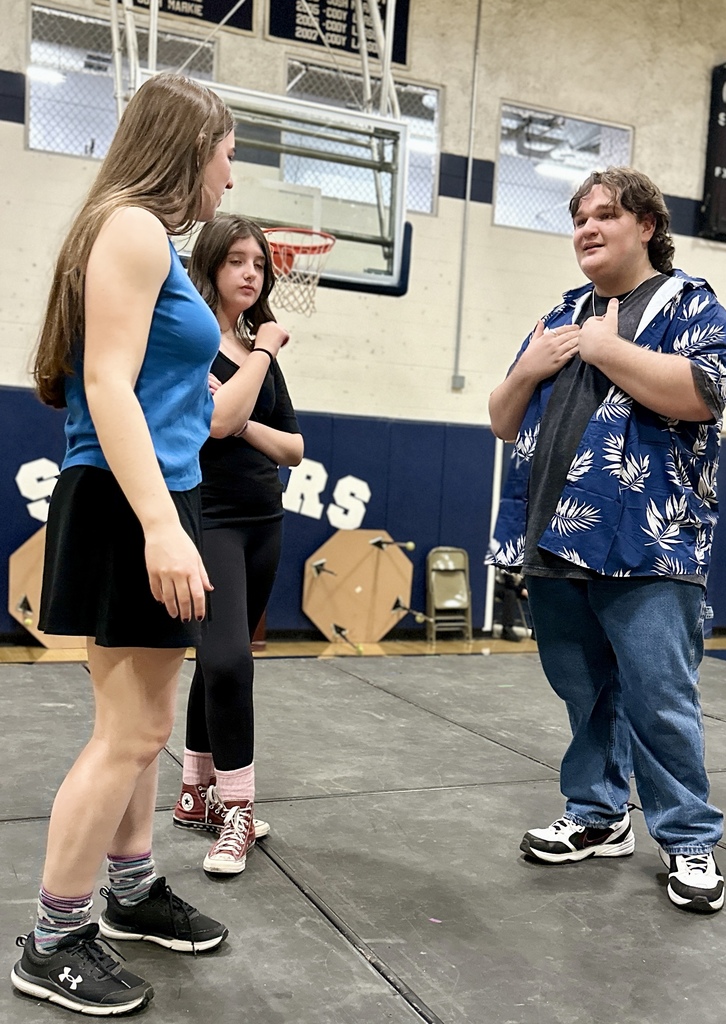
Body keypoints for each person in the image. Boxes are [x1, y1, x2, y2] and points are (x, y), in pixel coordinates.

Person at [11, 73, 237, 1016]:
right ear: (191, 148)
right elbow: (106, 384)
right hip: (124, 501)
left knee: (142, 722)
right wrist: (159, 524)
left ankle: (131, 893)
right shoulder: (135, 227)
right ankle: (53, 936)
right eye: (227, 148)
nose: (232, 169)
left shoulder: (146, 236)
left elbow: (168, 398)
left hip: (148, 494)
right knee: (133, 732)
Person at [487, 167, 726, 914]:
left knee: (660, 697)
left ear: (648, 227)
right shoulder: (562, 315)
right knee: (583, 690)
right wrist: (532, 366)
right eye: (579, 220)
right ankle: (598, 817)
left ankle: (688, 838)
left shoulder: (688, 304)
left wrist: (604, 348)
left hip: (649, 541)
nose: (587, 230)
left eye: (605, 216)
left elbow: (701, 393)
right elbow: (503, 419)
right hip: (555, 536)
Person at [171, 215, 303, 876]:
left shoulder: (254, 351)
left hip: (264, 522)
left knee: (221, 657)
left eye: (259, 264)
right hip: (211, 520)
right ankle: (239, 812)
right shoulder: (196, 342)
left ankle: (197, 793)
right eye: (237, 262)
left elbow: (294, 449)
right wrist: (266, 353)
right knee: (227, 664)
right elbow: (212, 422)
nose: (250, 273)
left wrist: (243, 410)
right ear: (212, 267)